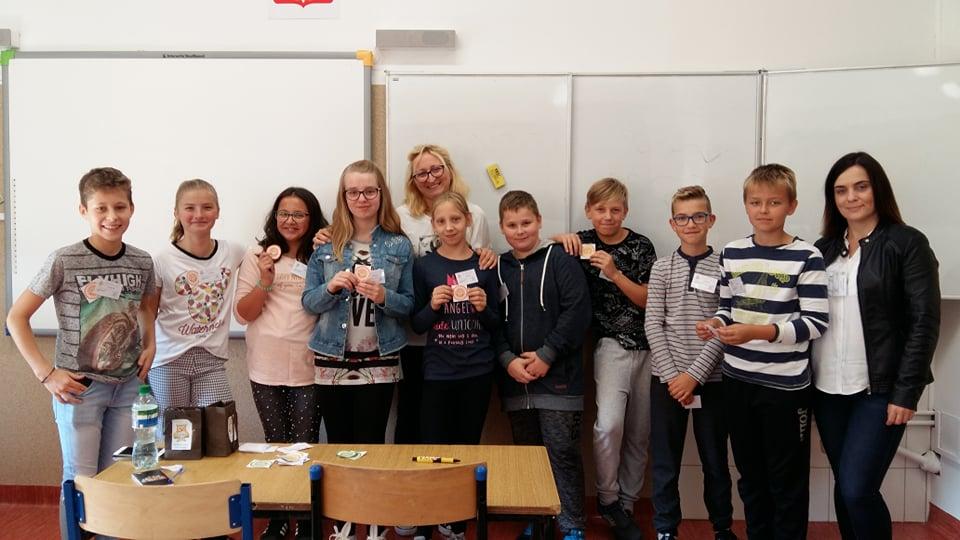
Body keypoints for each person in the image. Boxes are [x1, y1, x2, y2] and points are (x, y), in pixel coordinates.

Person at [6, 167, 158, 538]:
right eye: (101, 208)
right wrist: (46, 373)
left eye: (119, 207)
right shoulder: (64, 259)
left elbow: (146, 305)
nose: (111, 217)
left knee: (117, 478)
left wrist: (150, 343)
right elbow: (16, 317)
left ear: (132, 208)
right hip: (79, 389)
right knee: (80, 479)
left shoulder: (141, 261)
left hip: (127, 387)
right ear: (83, 211)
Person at [812, 152, 940, 540]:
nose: (851, 197)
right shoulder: (824, 249)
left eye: (861, 186)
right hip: (827, 389)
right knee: (845, 486)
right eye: (841, 190)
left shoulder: (907, 243)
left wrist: (906, 392)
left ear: (878, 189)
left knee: (857, 488)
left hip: (879, 391)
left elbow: (924, 322)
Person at [697, 164, 828, 540]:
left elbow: (815, 323)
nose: (764, 210)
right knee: (750, 475)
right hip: (738, 381)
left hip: (785, 387)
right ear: (745, 205)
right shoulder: (732, 252)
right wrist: (716, 324)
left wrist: (757, 332)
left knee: (786, 481)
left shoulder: (807, 256)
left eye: (774, 202)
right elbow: (728, 307)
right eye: (755, 202)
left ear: (792, 205)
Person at [301, 160, 413, 540]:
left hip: (380, 358)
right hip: (331, 357)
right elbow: (309, 303)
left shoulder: (398, 245)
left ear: (381, 194)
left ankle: (375, 523)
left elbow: (409, 305)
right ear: (343, 196)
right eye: (353, 192)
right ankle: (346, 524)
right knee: (339, 447)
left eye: (369, 191)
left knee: (373, 445)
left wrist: (384, 297)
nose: (362, 198)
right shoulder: (325, 244)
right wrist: (331, 287)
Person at [554, 178, 655, 540]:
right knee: (608, 426)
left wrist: (614, 274)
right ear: (589, 211)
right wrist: (561, 237)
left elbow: (647, 300)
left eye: (615, 210)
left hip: (650, 347)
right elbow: (545, 245)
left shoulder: (641, 246)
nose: (608, 216)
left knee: (639, 433)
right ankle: (608, 498)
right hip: (610, 346)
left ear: (625, 211)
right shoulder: (584, 243)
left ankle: (626, 505)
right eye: (600, 209)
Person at [495, 190, 591, 540]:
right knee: (529, 457)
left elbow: (577, 312)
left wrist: (547, 354)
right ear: (502, 228)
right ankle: (537, 522)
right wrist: (507, 360)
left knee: (562, 452)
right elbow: (491, 321)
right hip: (516, 380)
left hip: (559, 378)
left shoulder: (561, 259)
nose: (520, 231)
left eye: (526, 223)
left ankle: (572, 525)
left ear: (539, 221)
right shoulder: (497, 267)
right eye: (512, 225)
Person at [234, 187, 328, 540]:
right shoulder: (257, 255)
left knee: (303, 446)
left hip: (309, 364)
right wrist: (265, 280)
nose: (290, 221)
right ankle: (277, 518)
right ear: (274, 217)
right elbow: (243, 314)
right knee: (275, 443)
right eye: (284, 213)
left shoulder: (322, 255)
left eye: (299, 214)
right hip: (265, 365)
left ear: (311, 218)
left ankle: (304, 518)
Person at [645, 186, 736, 540]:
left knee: (714, 460)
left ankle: (722, 527)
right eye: (682, 218)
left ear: (711, 220)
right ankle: (666, 528)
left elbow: (726, 324)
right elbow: (653, 324)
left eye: (698, 216)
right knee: (665, 461)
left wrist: (693, 376)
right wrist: (674, 378)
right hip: (666, 382)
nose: (691, 224)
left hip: (712, 381)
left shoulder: (727, 266)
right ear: (672, 224)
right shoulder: (662, 268)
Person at [411, 191, 500, 540]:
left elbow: (497, 324)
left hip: (477, 370)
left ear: (468, 221)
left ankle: (457, 520)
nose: (449, 227)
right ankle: (426, 520)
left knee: (466, 449)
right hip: (438, 371)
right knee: (432, 449)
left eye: (456, 220)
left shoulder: (485, 264)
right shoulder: (425, 266)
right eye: (442, 221)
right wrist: (432, 306)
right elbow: (417, 324)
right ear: (433, 225)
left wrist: (484, 307)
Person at [151, 179, 243, 430]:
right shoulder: (161, 259)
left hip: (211, 362)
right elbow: (148, 313)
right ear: (176, 212)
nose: (199, 214)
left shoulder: (233, 251)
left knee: (220, 432)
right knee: (171, 436)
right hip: (169, 362)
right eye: (190, 208)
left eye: (207, 207)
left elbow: (269, 256)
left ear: (218, 211)